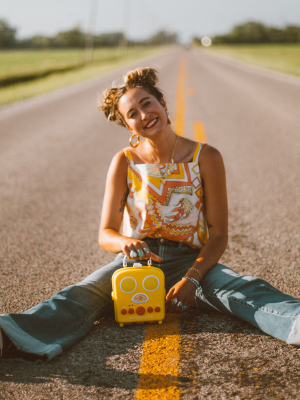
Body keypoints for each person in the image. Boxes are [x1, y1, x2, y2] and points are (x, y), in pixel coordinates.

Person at [1, 67, 300, 362]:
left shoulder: (206, 157)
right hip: (135, 266)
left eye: (147, 104)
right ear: (127, 126)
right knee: (77, 296)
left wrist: (192, 280)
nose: (143, 115)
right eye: (132, 114)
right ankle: (8, 336)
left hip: (191, 261)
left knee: (248, 291)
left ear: (163, 105)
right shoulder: (123, 162)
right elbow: (106, 233)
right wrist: (124, 244)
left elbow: (219, 233)